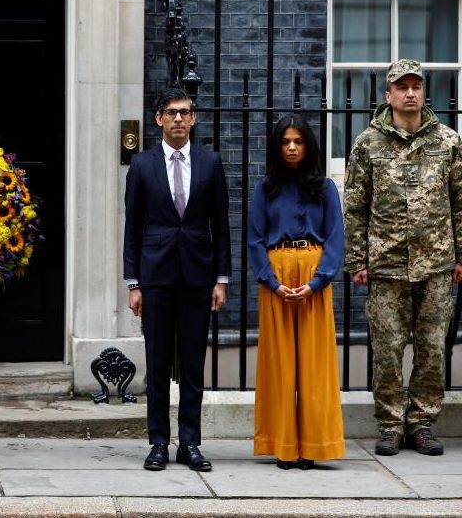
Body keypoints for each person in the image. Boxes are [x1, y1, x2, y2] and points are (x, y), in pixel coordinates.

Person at [344, 59, 462, 457]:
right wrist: (357, 260)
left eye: (416, 86)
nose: (410, 93)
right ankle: (392, 424)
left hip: (437, 264)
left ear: (423, 92)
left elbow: (460, 203)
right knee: (388, 349)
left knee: (431, 349)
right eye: (402, 86)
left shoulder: (448, 141)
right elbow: (355, 206)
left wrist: (461, 255)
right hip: (386, 264)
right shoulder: (367, 144)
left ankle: (422, 423)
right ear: (389, 94)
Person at [123, 87, 231, 472]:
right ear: (159, 119)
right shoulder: (142, 166)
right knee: (158, 363)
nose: (179, 119)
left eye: (185, 113)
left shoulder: (210, 162)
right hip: (155, 277)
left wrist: (221, 280)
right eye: (172, 113)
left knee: (192, 366)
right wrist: (133, 283)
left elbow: (221, 224)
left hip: (198, 277)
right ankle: (157, 442)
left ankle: (190, 442)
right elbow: (132, 228)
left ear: (194, 118)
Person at [247, 114, 345, 470]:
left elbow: (335, 238)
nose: (291, 147)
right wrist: (273, 283)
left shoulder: (326, 188)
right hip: (277, 277)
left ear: (308, 146)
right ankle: (284, 445)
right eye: (285, 142)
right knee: (280, 364)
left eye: (298, 142)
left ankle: (314, 445)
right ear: (277, 147)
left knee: (315, 365)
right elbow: (255, 239)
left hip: (312, 277)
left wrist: (317, 282)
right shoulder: (265, 188)